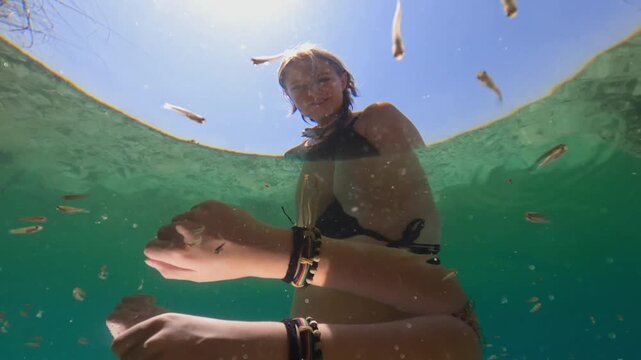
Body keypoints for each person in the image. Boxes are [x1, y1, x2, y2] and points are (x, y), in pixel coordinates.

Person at [107, 45, 481, 360]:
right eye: (299, 87)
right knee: (453, 335)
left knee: (452, 331)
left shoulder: (376, 119)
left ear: (344, 80)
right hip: (373, 320)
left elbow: (421, 219)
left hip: (402, 295)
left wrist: (260, 249)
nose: (313, 92)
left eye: (322, 79)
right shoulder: (302, 158)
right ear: (289, 99)